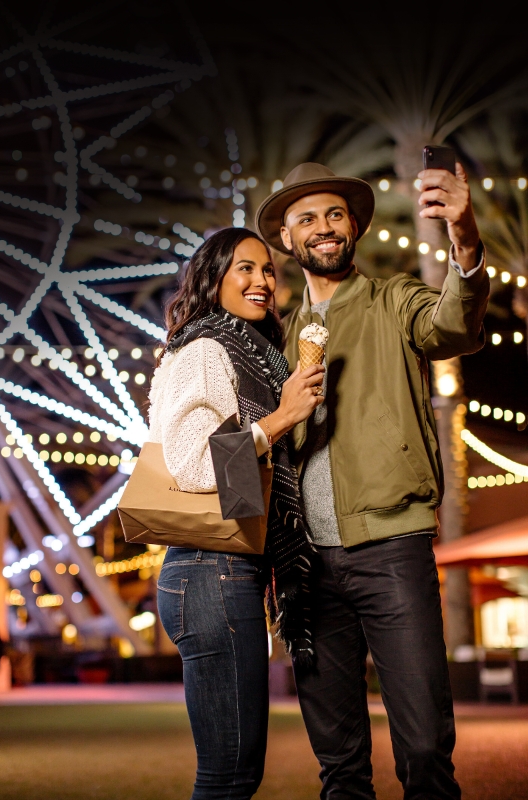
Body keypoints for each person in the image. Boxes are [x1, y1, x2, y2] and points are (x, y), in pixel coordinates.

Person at [256, 161, 489, 799]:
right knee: (339, 767)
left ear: (354, 226)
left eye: (335, 214)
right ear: (287, 238)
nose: (324, 227)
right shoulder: (274, 341)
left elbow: (455, 323)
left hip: (392, 547)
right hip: (305, 568)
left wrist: (464, 238)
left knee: (425, 748)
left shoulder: (395, 300)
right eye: (307, 218)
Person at [152, 226, 324, 800]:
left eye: (268, 269)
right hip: (210, 569)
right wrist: (281, 417)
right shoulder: (206, 350)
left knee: (235, 774)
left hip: (224, 570)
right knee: (229, 777)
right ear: (213, 279)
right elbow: (194, 465)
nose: (262, 281)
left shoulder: (251, 353)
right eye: (243, 269)